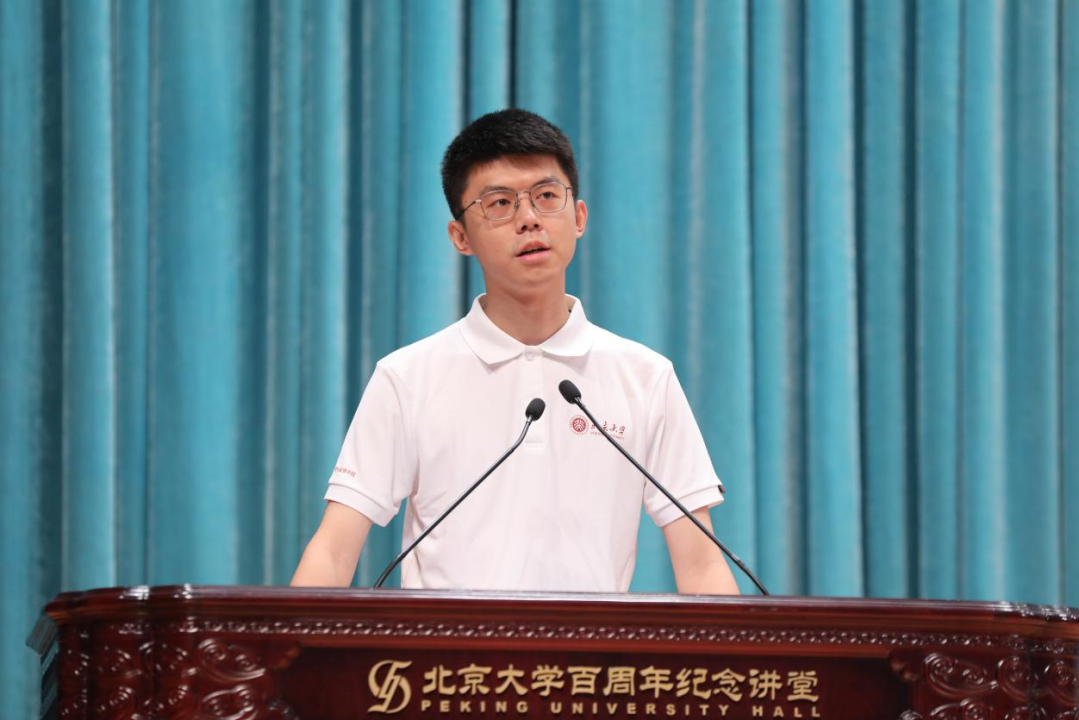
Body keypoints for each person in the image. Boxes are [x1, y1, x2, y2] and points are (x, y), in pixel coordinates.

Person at [291, 109, 739, 594]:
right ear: (461, 237)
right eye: (500, 204)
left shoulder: (645, 376)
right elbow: (333, 551)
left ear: (579, 216)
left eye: (546, 196)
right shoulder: (407, 377)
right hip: (447, 645)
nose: (529, 219)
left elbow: (702, 566)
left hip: (591, 646)